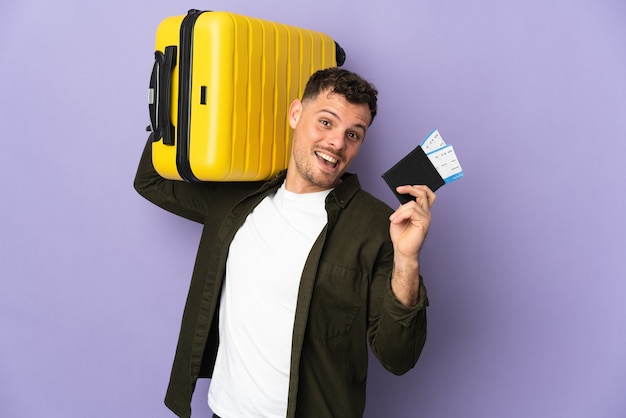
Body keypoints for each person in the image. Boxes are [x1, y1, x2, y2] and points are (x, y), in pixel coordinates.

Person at [134, 67, 436, 418]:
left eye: (353, 134)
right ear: (296, 114)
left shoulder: (378, 226)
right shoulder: (237, 195)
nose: (338, 142)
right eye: (326, 122)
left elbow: (398, 357)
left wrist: (407, 261)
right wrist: (185, 88)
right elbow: (152, 180)